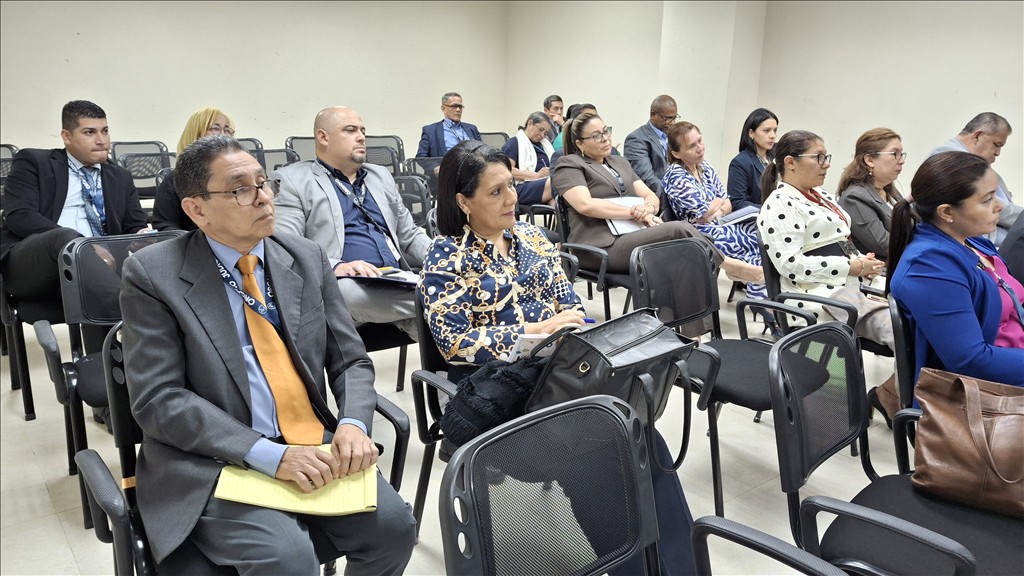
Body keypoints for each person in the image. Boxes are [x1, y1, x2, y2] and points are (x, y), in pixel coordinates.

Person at [119, 135, 417, 574]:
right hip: (214, 457)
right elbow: (158, 398)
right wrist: (269, 455)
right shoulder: (153, 274)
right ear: (196, 209)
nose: (263, 198)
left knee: (395, 531)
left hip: (309, 442)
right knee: (287, 559)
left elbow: (350, 360)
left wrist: (353, 423)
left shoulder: (305, 256)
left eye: (264, 183)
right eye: (241, 189)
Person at [420, 140, 696, 575]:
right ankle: (640, 566)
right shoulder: (447, 256)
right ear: (463, 202)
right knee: (599, 452)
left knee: (640, 434)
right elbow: (454, 342)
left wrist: (560, 331)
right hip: (497, 392)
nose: (512, 198)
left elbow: (571, 308)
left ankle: (681, 566)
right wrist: (537, 331)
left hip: (555, 375)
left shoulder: (532, 238)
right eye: (496, 192)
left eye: (511, 186)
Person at [0, 100, 148, 348]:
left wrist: (144, 235)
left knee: (156, 251)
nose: (101, 140)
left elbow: (134, 225)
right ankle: (137, 319)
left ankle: (103, 366)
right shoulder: (34, 162)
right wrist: (83, 247)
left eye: (105, 131)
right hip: (35, 265)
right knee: (69, 240)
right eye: (90, 132)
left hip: (97, 270)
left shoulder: (119, 176)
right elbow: (19, 214)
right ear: (66, 136)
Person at [273, 106, 430, 339]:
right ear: (323, 137)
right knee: (349, 293)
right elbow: (287, 246)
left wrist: (443, 258)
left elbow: (409, 234)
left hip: (395, 279)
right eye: (350, 130)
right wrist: (337, 267)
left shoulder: (379, 176)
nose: (361, 137)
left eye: (362, 131)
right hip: (344, 283)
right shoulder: (294, 180)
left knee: (443, 296)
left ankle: (431, 309)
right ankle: (442, 301)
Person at [551, 111, 763, 283]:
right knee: (679, 229)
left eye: (606, 131)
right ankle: (731, 265)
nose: (605, 138)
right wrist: (633, 212)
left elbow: (650, 195)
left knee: (689, 258)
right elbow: (585, 205)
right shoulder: (569, 164)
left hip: (632, 235)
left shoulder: (620, 163)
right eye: (596, 136)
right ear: (580, 144)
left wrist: (648, 209)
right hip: (600, 248)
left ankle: (693, 325)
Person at [888, 151, 1024, 389]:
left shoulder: (972, 242)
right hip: (992, 391)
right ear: (947, 212)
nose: (1000, 206)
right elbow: (971, 361)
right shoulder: (929, 266)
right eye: (987, 200)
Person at [757, 130, 891, 347]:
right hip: (820, 294)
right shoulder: (780, 204)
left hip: (850, 284)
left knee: (916, 306)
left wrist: (862, 262)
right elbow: (791, 265)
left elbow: (840, 240)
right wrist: (851, 267)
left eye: (826, 157)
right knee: (899, 327)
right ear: (790, 163)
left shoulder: (821, 195)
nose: (826, 164)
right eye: (819, 157)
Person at [662, 122, 766, 302]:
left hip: (719, 224)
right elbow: (702, 212)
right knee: (751, 241)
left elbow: (727, 202)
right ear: (676, 153)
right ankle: (754, 288)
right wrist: (716, 205)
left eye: (700, 141)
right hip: (696, 233)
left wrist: (714, 209)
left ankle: (753, 285)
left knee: (762, 235)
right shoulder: (675, 174)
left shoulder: (705, 167)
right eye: (692, 146)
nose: (700, 148)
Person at [928, 112, 1020, 246]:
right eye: (996, 144)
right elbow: (998, 210)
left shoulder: (961, 159)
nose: (998, 153)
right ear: (977, 136)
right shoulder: (954, 161)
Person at [152, 107, 235, 231]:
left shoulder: (238, 178)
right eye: (215, 128)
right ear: (196, 134)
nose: (223, 135)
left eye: (227, 130)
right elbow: (164, 225)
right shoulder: (174, 180)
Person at [836, 128, 906, 260]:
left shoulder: (890, 190)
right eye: (895, 154)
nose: (902, 160)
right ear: (870, 160)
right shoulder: (854, 197)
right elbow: (885, 245)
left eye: (902, 154)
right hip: (884, 269)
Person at [624, 95, 679, 198]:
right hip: (657, 199)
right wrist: (675, 196)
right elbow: (646, 179)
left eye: (674, 118)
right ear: (653, 115)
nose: (672, 123)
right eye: (667, 118)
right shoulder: (636, 139)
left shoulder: (674, 136)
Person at [727, 108, 778, 211]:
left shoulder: (777, 155)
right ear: (751, 133)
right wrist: (770, 210)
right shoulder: (740, 163)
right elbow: (738, 203)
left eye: (775, 130)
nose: (772, 136)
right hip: (758, 216)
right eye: (767, 131)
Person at [500, 111, 555, 206]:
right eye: (540, 129)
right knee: (559, 182)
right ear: (530, 123)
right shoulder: (515, 142)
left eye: (545, 133)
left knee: (560, 197)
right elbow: (506, 170)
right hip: (522, 186)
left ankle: (558, 214)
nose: (542, 135)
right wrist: (535, 175)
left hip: (545, 185)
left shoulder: (545, 145)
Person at [415, 91, 482, 158]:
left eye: (460, 106)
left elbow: (483, 153)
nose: (458, 110)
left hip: (470, 163)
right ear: (443, 109)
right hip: (446, 164)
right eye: (454, 106)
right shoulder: (430, 131)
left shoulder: (472, 129)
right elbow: (421, 157)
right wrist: (437, 165)